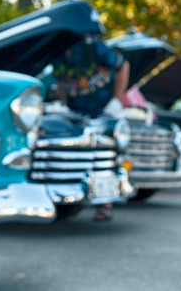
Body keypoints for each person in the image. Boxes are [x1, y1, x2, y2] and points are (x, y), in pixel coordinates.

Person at [53, 32, 130, 221]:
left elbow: (123, 66)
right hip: (76, 112)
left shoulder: (92, 46)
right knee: (77, 154)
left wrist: (117, 99)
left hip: (103, 111)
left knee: (104, 156)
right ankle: (72, 200)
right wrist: (63, 102)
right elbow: (61, 81)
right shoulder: (55, 53)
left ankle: (105, 204)